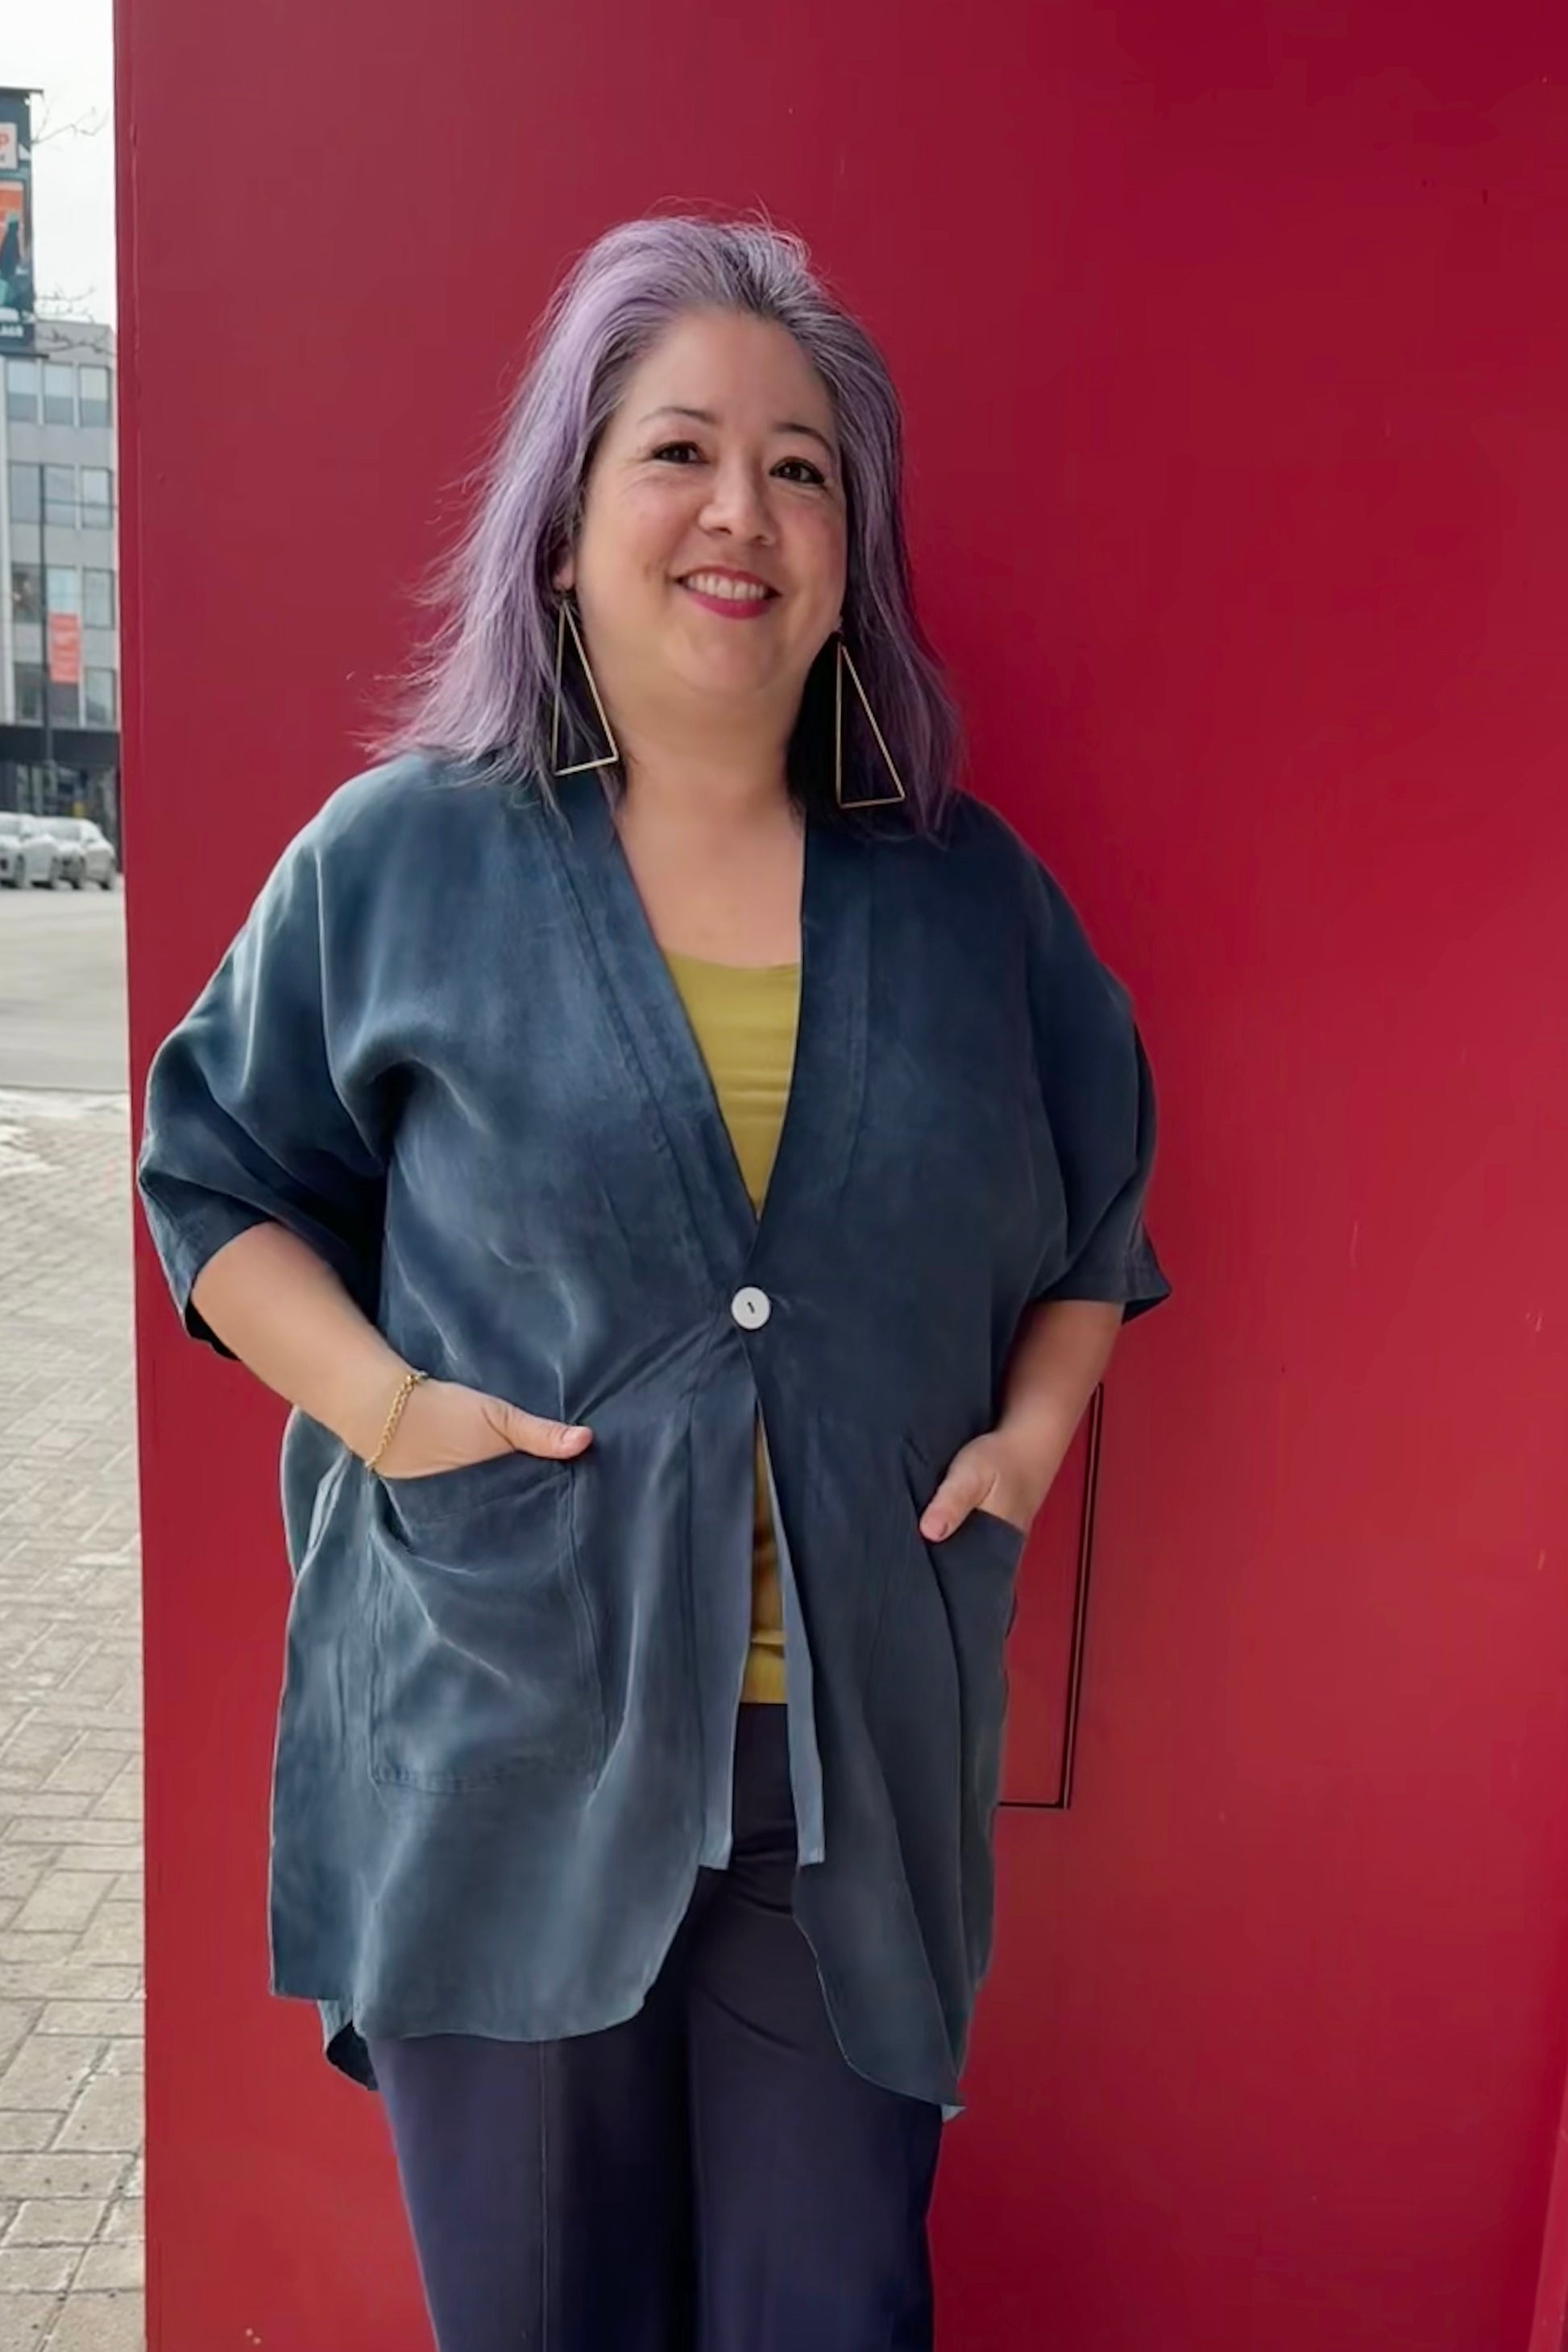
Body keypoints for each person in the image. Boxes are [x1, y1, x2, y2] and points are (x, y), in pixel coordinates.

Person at [136, 213, 1169, 2352]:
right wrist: (396, 1417)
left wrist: (1030, 1442)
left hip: (847, 1768)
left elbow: (1098, 1223)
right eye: (678, 451)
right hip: (510, 1739)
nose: (740, 513)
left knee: (830, 2309)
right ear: (563, 526)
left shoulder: (967, 904)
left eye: (801, 470)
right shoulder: (400, 860)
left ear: (849, 558)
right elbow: (215, 1180)